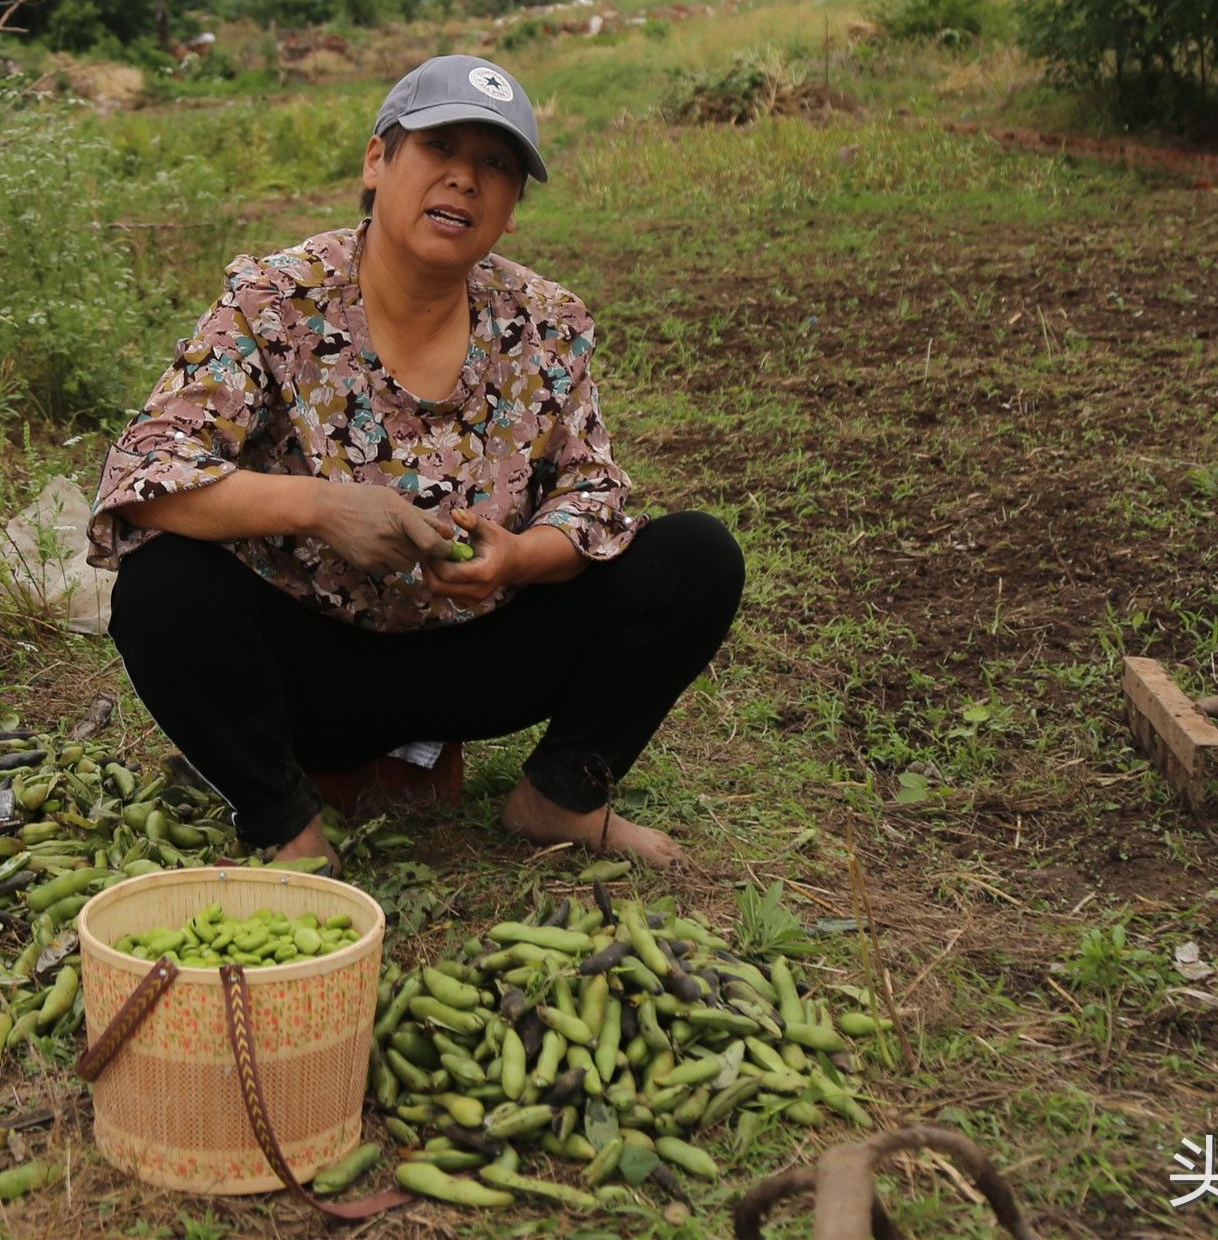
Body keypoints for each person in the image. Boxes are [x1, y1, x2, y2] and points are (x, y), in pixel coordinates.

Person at [86, 53, 745, 869]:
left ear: (511, 205)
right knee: (161, 587)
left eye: (495, 164)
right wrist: (321, 507)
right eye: (440, 149)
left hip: (479, 659)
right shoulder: (276, 300)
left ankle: (561, 798)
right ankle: (287, 830)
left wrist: (519, 558)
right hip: (308, 667)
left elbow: (591, 490)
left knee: (696, 558)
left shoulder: (545, 322)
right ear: (377, 160)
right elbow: (146, 468)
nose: (465, 180)